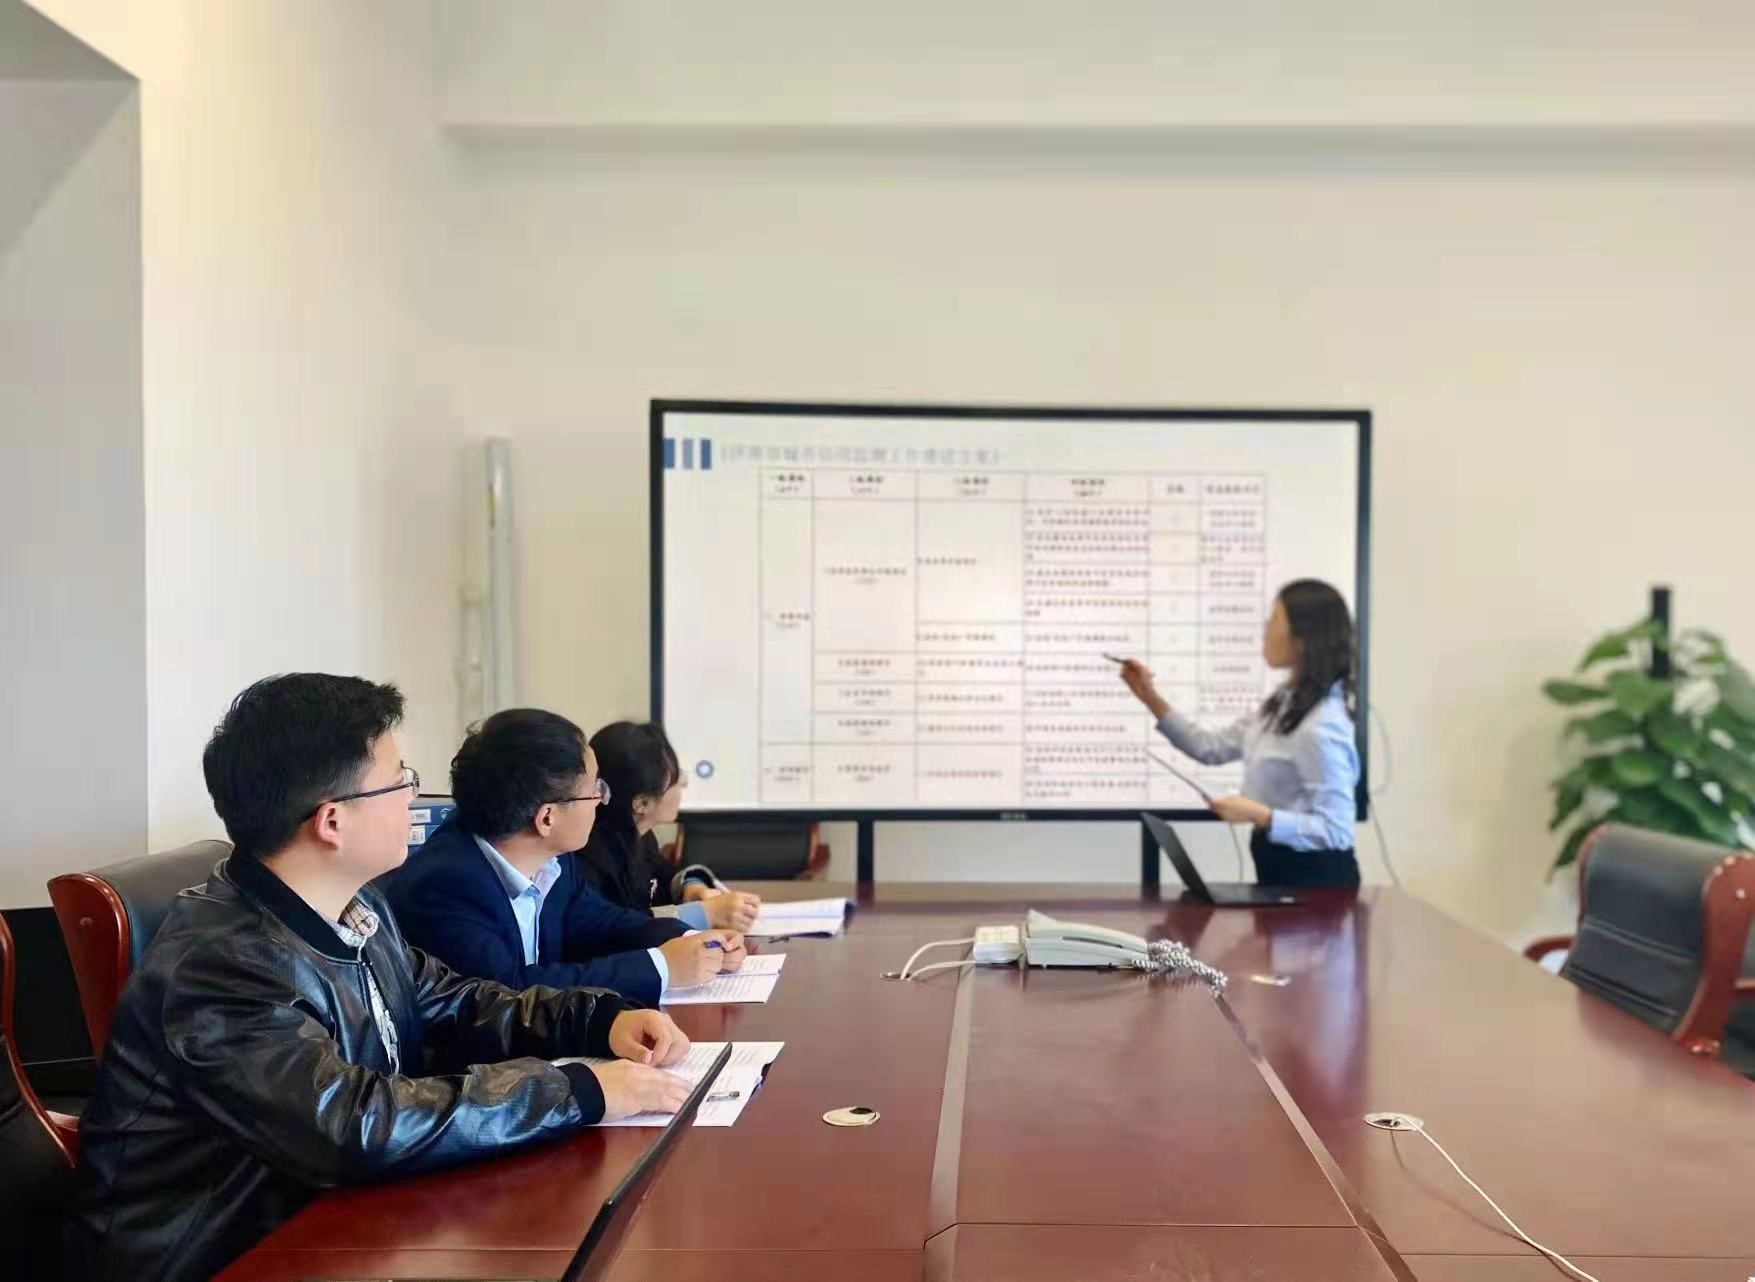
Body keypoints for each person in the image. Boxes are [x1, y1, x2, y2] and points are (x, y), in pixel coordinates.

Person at [69, 675, 695, 1282]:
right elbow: (353, 1125)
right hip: (230, 1257)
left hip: (336, 1224)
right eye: (400, 782)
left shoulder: (355, 906)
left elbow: (453, 1001)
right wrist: (575, 1090)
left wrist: (598, 1018)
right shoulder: (222, 965)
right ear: (332, 821)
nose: (413, 800)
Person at [381, 708, 746, 1006]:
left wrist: (697, 939)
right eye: (594, 790)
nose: (602, 800)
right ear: (547, 818)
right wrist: (661, 967)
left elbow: (603, 923)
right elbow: (508, 994)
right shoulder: (445, 884)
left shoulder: (553, 862)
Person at [1120, 578, 1362, 888]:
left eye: (1274, 620)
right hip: (1276, 863)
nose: (1265, 630)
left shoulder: (1321, 725)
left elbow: (1337, 831)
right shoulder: (1284, 703)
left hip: (1318, 882)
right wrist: (1149, 697)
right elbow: (1210, 747)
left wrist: (1261, 815)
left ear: (1302, 638)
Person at [580, 720, 762, 932]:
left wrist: (691, 888)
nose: (683, 784)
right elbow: (619, 928)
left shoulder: (641, 837)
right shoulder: (589, 860)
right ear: (642, 803)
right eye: (675, 779)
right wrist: (705, 914)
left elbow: (666, 878)